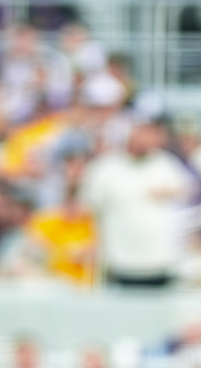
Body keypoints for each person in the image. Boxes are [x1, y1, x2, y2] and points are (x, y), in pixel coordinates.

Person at [81, 120, 194, 288]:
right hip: (121, 259)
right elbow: (90, 206)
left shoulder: (163, 162)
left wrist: (168, 192)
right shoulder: (106, 167)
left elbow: (186, 189)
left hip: (160, 259)